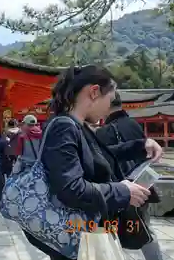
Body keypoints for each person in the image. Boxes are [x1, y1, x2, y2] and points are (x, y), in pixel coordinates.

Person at [25, 65, 162, 260]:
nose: (109, 107)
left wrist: (140, 145)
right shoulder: (64, 127)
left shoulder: (77, 126)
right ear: (94, 92)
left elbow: (96, 158)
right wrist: (123, 191)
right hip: (78, 235)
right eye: (110, 99)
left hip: (88, 232)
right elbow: (71, 188)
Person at [96, 92, 163, 260]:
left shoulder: (105, 131)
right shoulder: (134, 124)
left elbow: (104, 161)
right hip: (143, 183)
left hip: (122, 189)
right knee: (144, 226)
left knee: (113, 231)